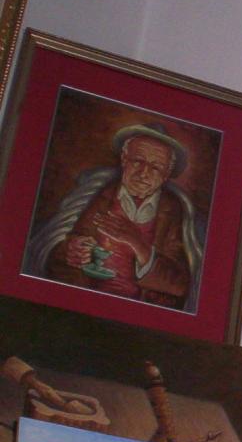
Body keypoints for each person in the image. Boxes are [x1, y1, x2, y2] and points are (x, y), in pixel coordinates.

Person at [23, 123, 204, 310]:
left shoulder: (173, 210)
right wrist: (71, 250)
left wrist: (138, 244)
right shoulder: (99, 194)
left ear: (166, 175)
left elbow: (179, 285)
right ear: (124, 160)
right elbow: (56, 253)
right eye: (137, 161)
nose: (144, 173)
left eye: (155, 167)